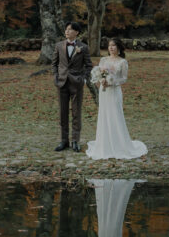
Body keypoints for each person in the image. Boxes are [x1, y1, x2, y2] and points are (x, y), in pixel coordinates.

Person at [86, 38, 147, 159]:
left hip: (114, 91)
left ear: (118, 47)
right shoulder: (103, 60)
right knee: (104, 115)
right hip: (104, 92)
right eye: (109, 46)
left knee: (115, 115)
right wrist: (101, 80)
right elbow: (98, 73)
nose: (111, 48)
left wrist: (111, 82)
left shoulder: (122, 62)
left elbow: (124, 78)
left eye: (113, 45)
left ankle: (119, 145)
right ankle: (105, 145)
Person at [52, 22, 93, 153]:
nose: (67, 31)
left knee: (76, 113)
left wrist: (84, 79)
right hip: (62, 83)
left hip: (77, 83)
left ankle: (75, 141)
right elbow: (54, 64)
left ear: (76, 32)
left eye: (70, 29)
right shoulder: (58, 46)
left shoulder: (83, 47)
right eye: (66, 29)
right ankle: (64, 140)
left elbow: (89, 65)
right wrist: (56, 77)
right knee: (63, 113)